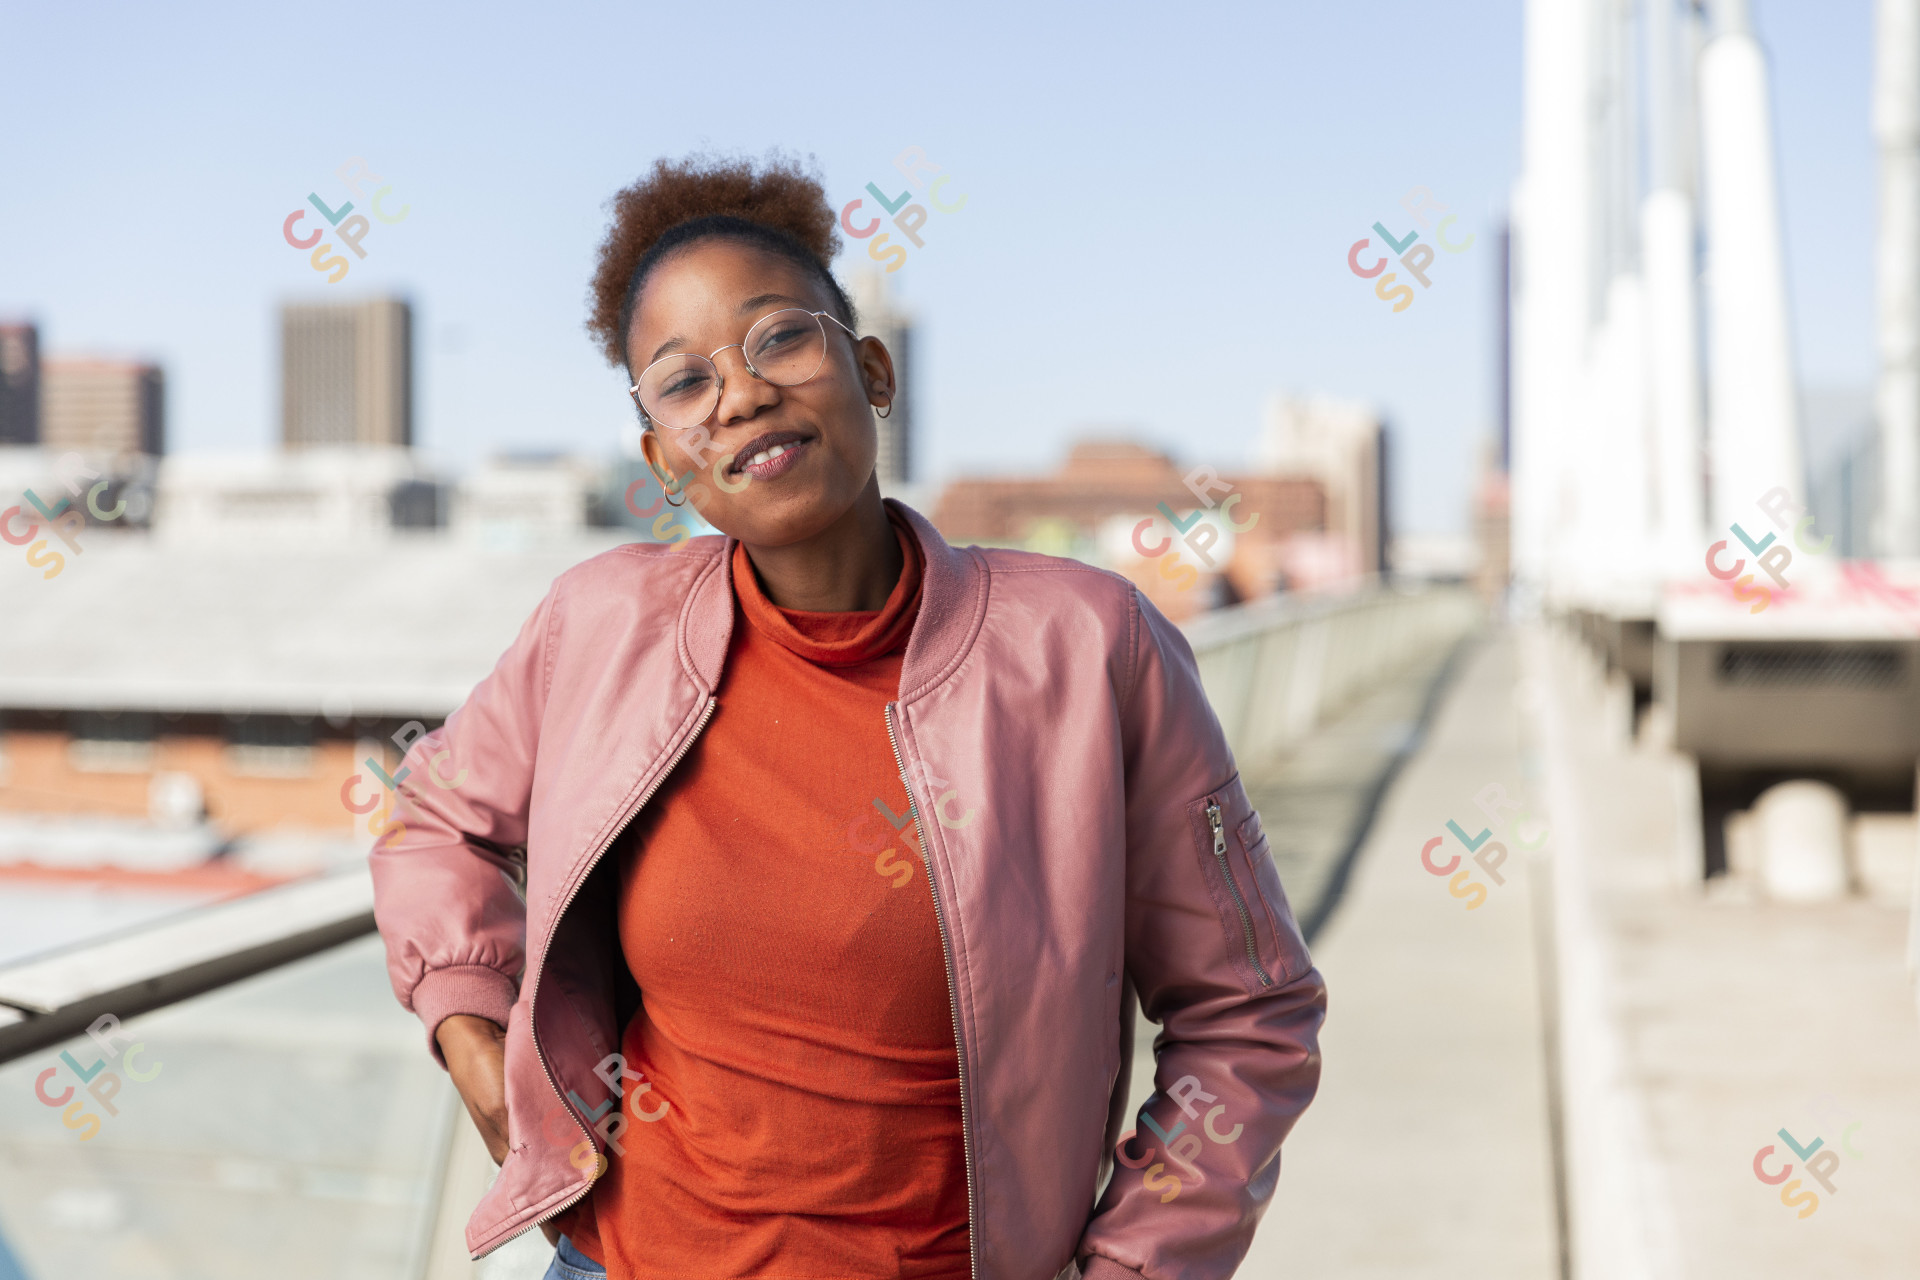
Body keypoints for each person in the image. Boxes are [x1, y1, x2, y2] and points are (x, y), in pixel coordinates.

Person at [370, 152, 1325, 1280]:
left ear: (870, 367)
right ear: (663, 458)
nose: (739, 393)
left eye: (780, 337)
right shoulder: (601, 624)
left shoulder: (1087, 642)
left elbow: (1247, 1011)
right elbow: (433, 814)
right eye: (683, 383)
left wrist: (1132, 1264)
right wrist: (472, 1034)